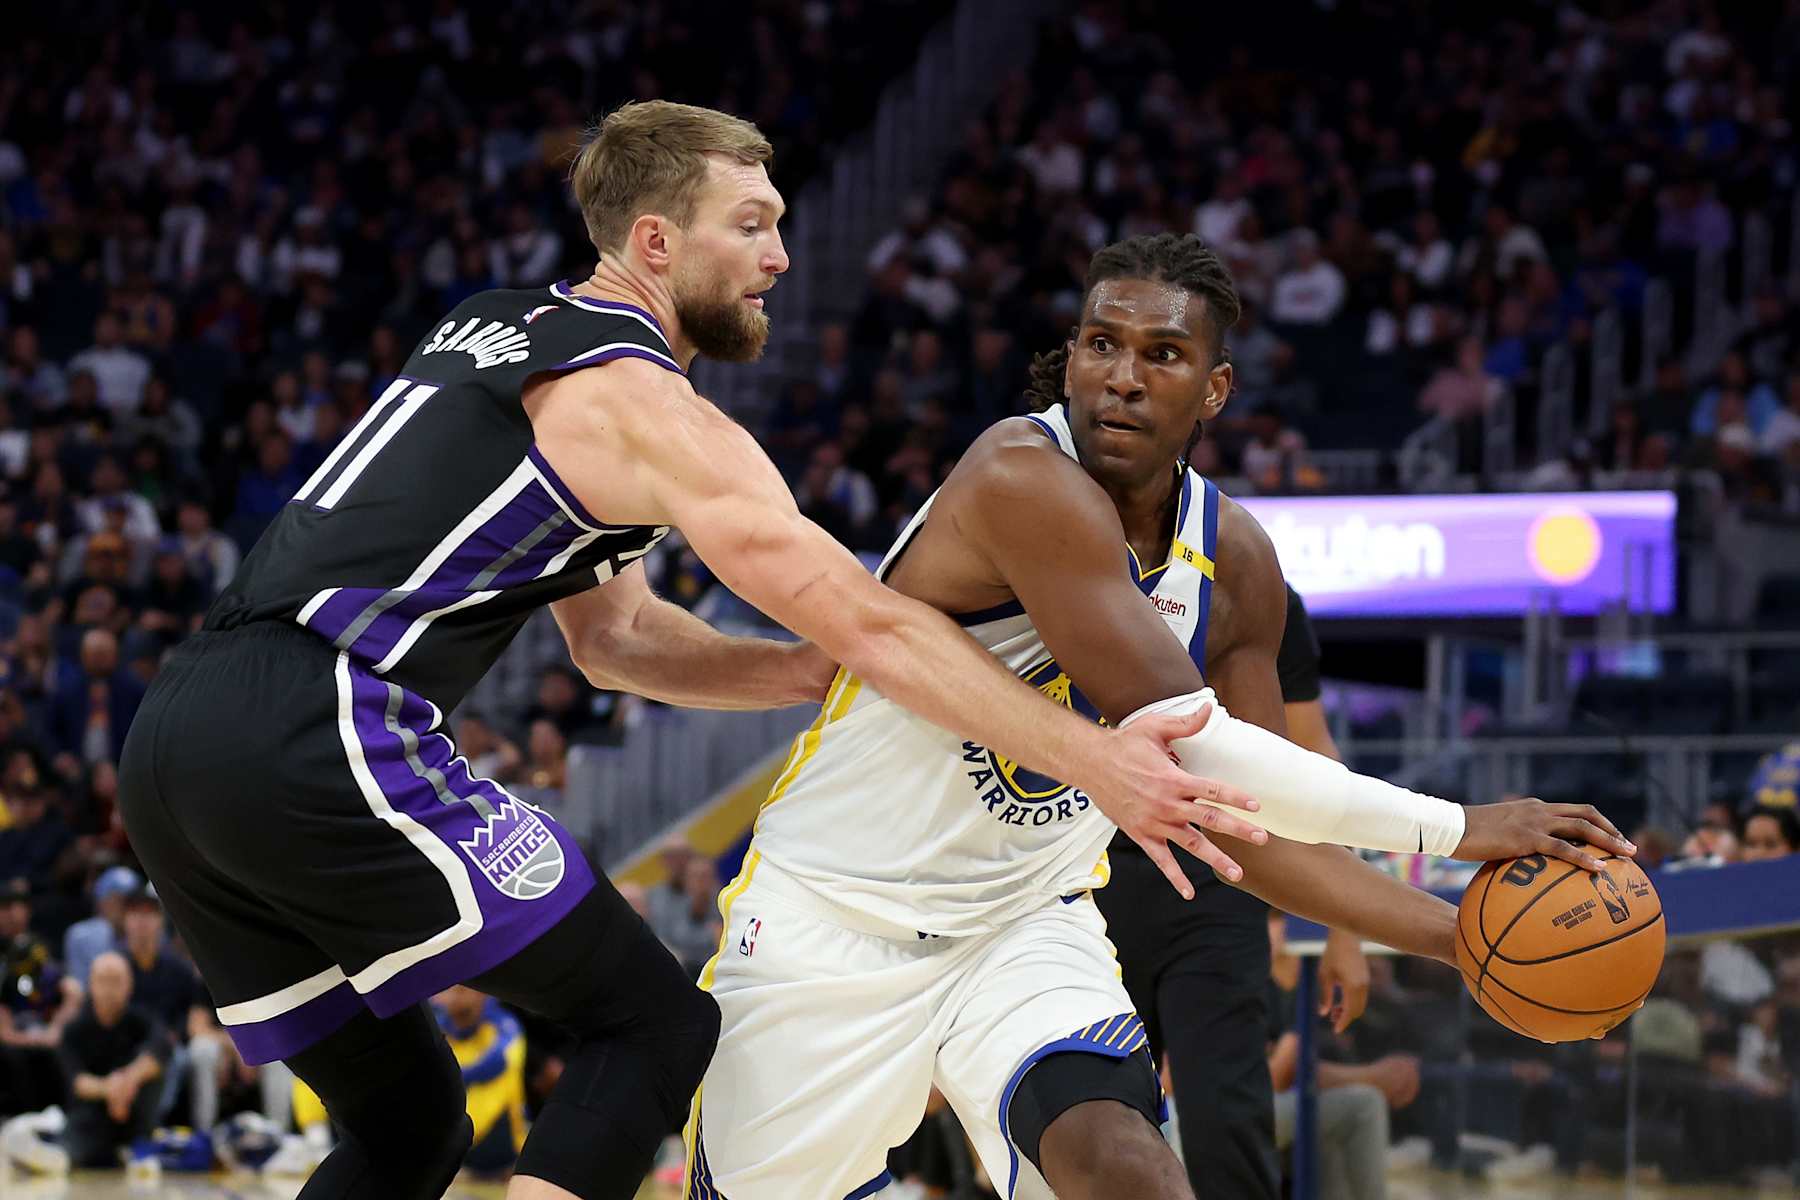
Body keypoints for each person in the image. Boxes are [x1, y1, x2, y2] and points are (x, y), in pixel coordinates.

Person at [117, 103, 1238, 1200]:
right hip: (322, 722)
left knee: (409, 1124)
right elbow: (873, 619)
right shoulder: (647, 407)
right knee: (653, 1028)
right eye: (749, 225)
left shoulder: (498, 324)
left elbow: (620, 640)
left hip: (174, 744)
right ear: (656, 241)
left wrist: (804, 678)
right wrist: (1096, 760)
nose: (781, 256)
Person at [686, 233, 1633, 1200]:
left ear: (1214, 391)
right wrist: (1463, 828)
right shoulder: (1019, 474)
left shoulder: (1237, 564)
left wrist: (1461, 941)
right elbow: (1195, 740)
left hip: (1022, 926)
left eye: (1162, 356)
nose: (1122, 379)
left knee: (1135, 1171)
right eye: (1101, 344)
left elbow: (1245, 819)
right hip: (836, 916)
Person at [1098, 583, 1373, 1198]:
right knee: (1097, 1128)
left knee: (1228, 1125)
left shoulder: (1257, 586)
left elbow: (1310, 756)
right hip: (1087, 881)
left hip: (1220, 876)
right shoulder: (1072, 558)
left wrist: (1346, 927)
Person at [57, 952, 165, 1169]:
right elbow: (77, 1082)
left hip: (135, 1112)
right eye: (103, 980)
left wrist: (128, 1080)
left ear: (129, 985)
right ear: (91, 984)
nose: (109, 989)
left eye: (116, 981)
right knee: (78, 1151)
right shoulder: (73, 1030)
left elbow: (158, 1055)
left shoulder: (143, 1022)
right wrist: (110, 1088)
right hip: (92, 1115)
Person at [434, 985, 530, 1176]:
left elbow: (499, 1062)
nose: (448, 995)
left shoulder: (502, 1024)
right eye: (445, 989)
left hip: (507, 1159)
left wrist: (452, 1077)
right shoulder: (439, 1027)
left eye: (459, 989)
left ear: (480, 992)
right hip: (457, 1164)